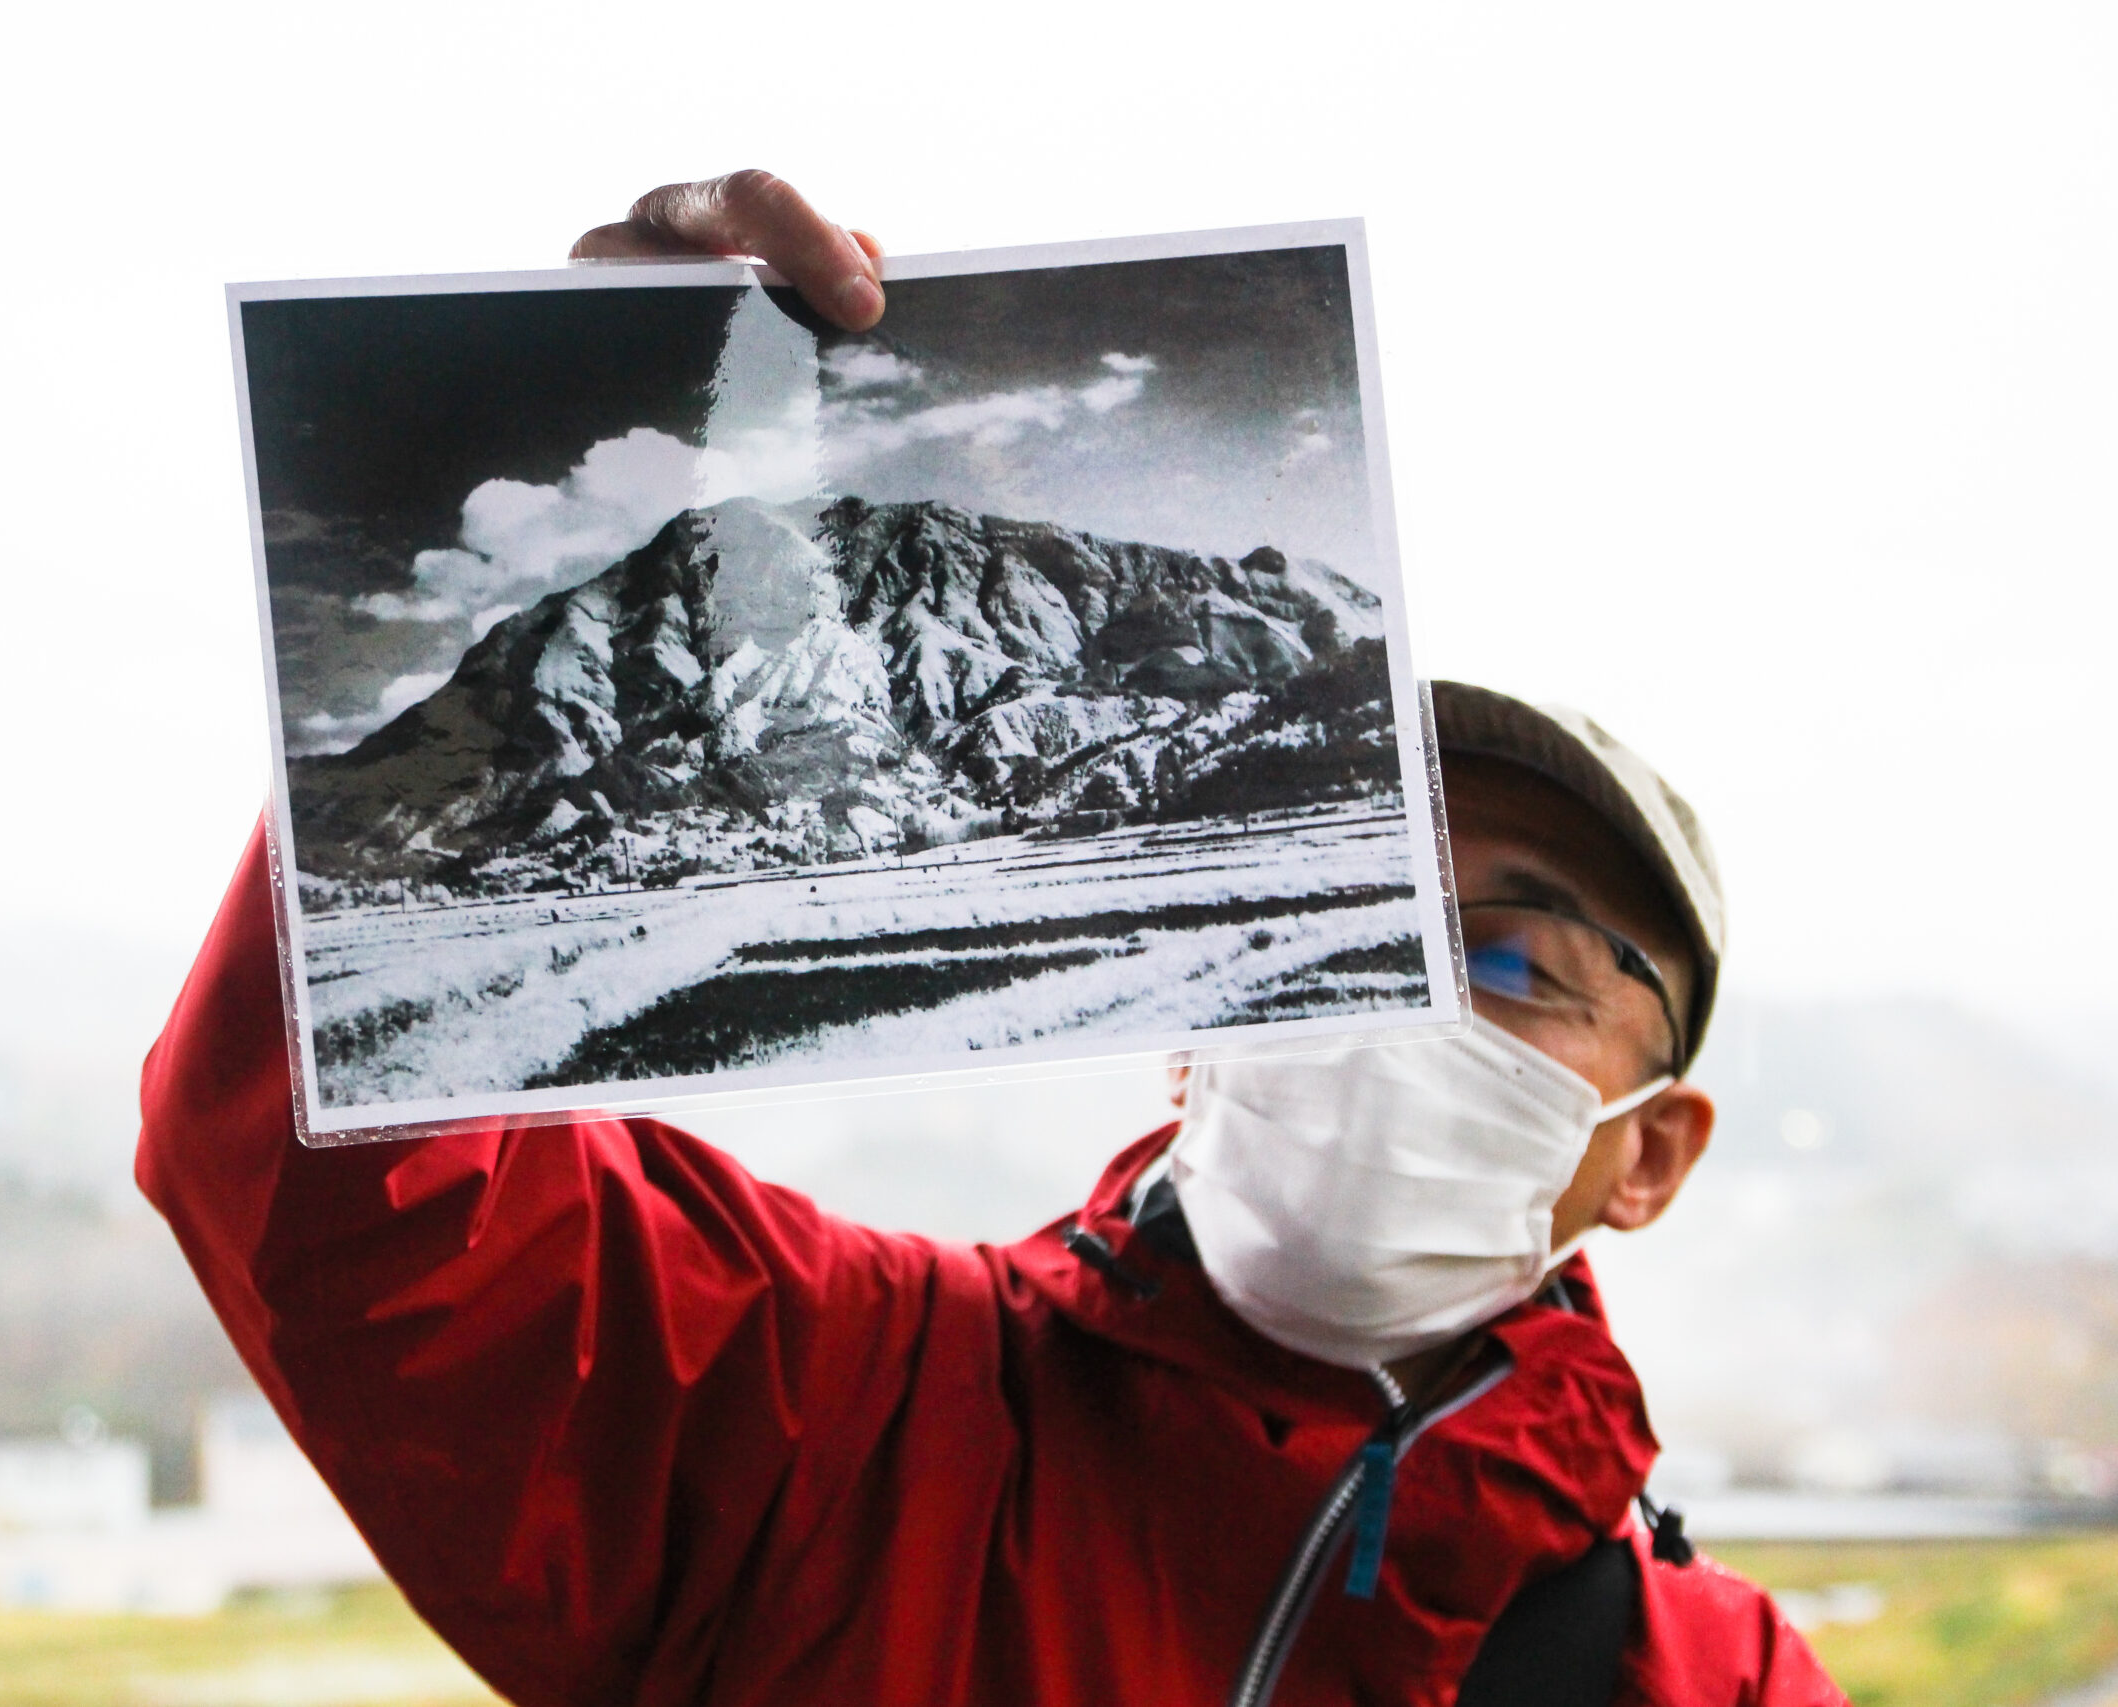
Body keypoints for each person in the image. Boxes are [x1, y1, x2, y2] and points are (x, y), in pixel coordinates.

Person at [139, 174, 1844, 1707]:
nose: (1386, 995)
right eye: (1356, 902)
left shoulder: (1715, 1682)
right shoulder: (842, 1416)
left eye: (1503, 963)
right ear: (1198, 1021)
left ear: (1654, 1153)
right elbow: (346, 1203)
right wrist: (619, 399)